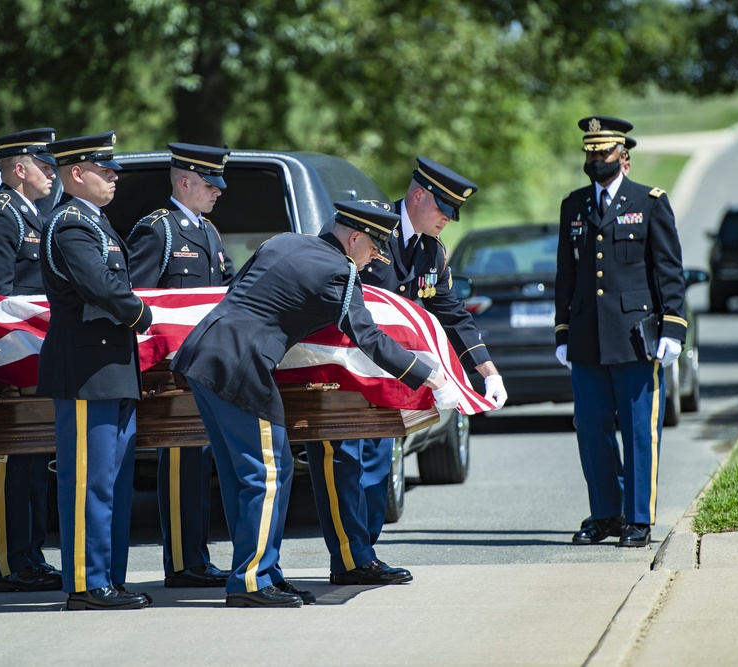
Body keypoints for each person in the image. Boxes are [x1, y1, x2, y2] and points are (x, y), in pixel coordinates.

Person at [170, 200, 461, 607]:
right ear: (354, 237)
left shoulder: (284, 241)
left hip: (202, 354)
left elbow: (242, 294)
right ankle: (253, 581)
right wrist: (428, 375)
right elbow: (370, 339)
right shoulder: (339, 272)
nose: (375, 259)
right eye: (374, 249)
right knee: (269, 472)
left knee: (243, 474)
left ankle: (259, 573)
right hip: (241, 366)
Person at [305, 157, 507, 586]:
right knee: (346, 462)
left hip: (391, 377)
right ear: (418, 196)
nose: (447, 222)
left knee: (378, 469)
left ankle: (364, 555)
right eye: (443, 211)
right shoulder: (370, 223)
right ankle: (349, 558)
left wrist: (486, 371)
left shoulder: (431, 250)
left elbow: (450, 311)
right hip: (345, 372)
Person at [554, 116, 687, 548]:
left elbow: (668, 269)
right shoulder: (573, 205)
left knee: (636, 429)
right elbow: (566, 275)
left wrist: (673, 327)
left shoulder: (648, 202)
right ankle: (606, 513)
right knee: (591, 428)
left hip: (634, 336)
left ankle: (638, 519)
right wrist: (562, 332)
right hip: (587, 338)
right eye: (590, 152)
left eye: (604, 152)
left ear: (623, 156)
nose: (596, 159)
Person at [39, 132, 154, 610]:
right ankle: (86, 585)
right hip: (87, 369)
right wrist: (143, 314)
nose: (114, 179)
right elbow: (99, 286)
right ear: (77, 174)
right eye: (105, 172)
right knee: (89, 482)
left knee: (112, 482)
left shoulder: (96, 223)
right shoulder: (70, 225)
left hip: (111, 368)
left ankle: (110, 576)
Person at [126, 142, 233, 589]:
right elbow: (139, 301)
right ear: (185, 182)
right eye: (210, 185)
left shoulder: (207, 231)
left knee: (199, 461)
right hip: (168, 374)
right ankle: (183, 563)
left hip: (201, 367)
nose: (218, 193)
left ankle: (196, 557)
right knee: (180, 461)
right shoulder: (158, 230)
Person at [0, 128, 62, 594]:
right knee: (9, 460)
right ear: (20, 169)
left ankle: (31, 558)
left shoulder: (37, 218)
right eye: (45, 166)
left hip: (35, 359)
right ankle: (10, 565)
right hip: (10, 361)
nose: (52, 174)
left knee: (33, 459)